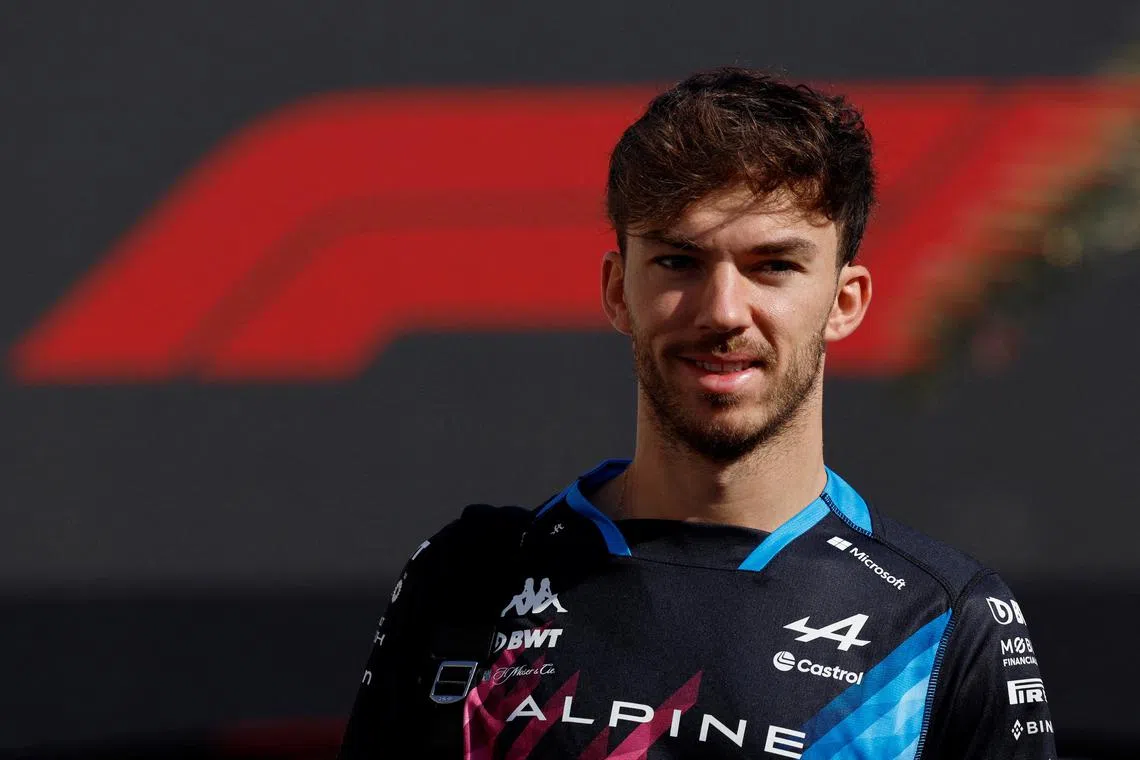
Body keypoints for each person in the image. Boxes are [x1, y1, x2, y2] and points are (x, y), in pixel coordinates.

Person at [338, 67, 1055, 759]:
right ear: (619, 291)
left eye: (773, 265)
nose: (722, 312)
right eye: (680, 261)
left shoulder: (939, 622)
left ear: (845, 302)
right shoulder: (471, 578)